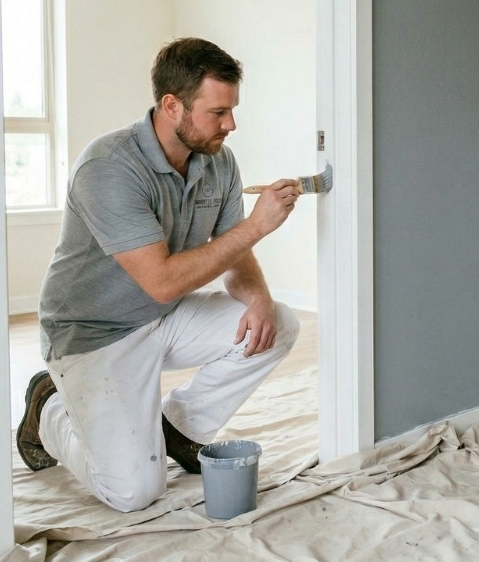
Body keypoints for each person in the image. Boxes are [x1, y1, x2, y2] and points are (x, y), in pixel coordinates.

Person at [16, 37, 304, 511]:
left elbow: (235, 254)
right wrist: (257, 225)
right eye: (217, 112)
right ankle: (47, 410)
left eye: (231, 110)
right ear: (172, 106)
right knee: (133, 492)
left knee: (278, 322)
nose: (230, 124)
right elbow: (163, 281)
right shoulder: (108, 166)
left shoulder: (218, 161)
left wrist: (258, 300)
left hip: (162, 318)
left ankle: (177, 430)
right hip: (94, 333)